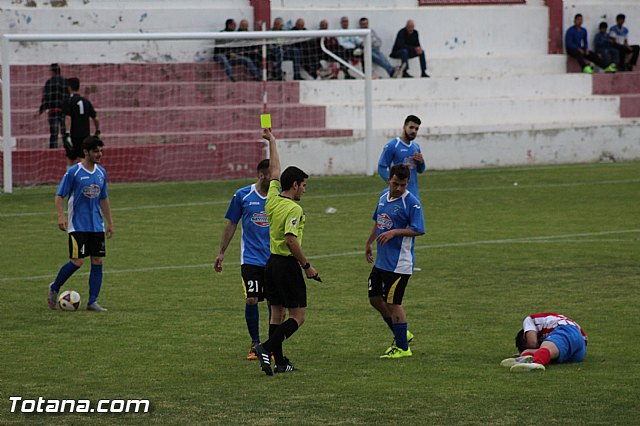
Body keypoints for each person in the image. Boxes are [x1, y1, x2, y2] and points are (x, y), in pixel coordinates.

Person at [254, 128, 321, 376]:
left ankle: (279, 362)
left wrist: (272, 141)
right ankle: (267, 347)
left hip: (270, 265)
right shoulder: (294, 210)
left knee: (277, 313)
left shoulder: (271, 198)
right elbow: (291, 240)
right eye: (303, 185)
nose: (304, 189)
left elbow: (274, 170)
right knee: (298, 316)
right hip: (286, 265)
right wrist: (307, 266)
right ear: (295, 185)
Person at [47, 136, 114, 313]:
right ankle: (54, 287)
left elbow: (104, 199)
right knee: (77, 261)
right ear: (86, 152)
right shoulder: (74, 172)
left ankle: (93, 302)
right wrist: (61, 217)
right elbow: (59, 196)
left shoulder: (101, 173)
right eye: (96, 151)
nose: (99, 154)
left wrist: (109, 222)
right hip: (78, 225)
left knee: (98, 261)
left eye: (101, 151)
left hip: (96, 226)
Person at [214, 159, 272, 360]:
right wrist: (221, 252)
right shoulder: (243, 195)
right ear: (261, 175)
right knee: (252, 298)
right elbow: (231, 223)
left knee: (274, 302)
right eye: (271, 176)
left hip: (274, 259)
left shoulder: (279, 197)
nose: (275, 180)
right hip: (250, 259)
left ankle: (271, 345)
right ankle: (255, 343)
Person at [365, 164, 425, 359]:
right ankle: (402, 333)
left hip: (399, 264)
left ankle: (403, 348)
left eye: (403, 185)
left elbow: (419, 229)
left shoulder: (412, 203)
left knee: (393, 303)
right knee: (375, 298)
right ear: (389, 180)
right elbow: (378, 220)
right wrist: (368, 242)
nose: (398, 188)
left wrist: (395, 232)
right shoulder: (383, 196)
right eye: (395, 184)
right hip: (382, 262)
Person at [501, 312, 588, 373]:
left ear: (525, 336)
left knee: (545, 348)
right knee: (549, 353)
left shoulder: (529, 320)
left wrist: (531, 349)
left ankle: (537, 363)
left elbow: (532, 343)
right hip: (579, 348)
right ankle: (526, 357)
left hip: (566, 329)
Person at [378, 115, 425, 199]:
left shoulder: (416, 147)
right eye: (411, 127)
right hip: (397, 195)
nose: (414, 131)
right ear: (404, 127)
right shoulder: (392, 145)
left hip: (413, 195)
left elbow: (421, 170)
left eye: (416, 129)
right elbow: (381, 167)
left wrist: (421, 162)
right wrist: (393, 183)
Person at [63, 77, 100, 166]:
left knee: (70, 158)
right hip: (85, 136)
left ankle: (70, 178)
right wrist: (97, 130)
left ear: (69, 87)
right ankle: (85, 178)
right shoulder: (86, 101)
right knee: (84, 159)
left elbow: (68, 118)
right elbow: (95, 118)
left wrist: (67, 133)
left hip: (73, 136)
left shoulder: (68, 101)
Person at [38, 63, 68, 149]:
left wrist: (41, 110)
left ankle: (53, 151)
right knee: (65, 133)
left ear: (52, 71)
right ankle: (68, 150)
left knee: (54, 134)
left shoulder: (49, 82)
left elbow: (46, 97)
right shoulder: (65, 82)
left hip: (53, 111)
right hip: (64, 111)